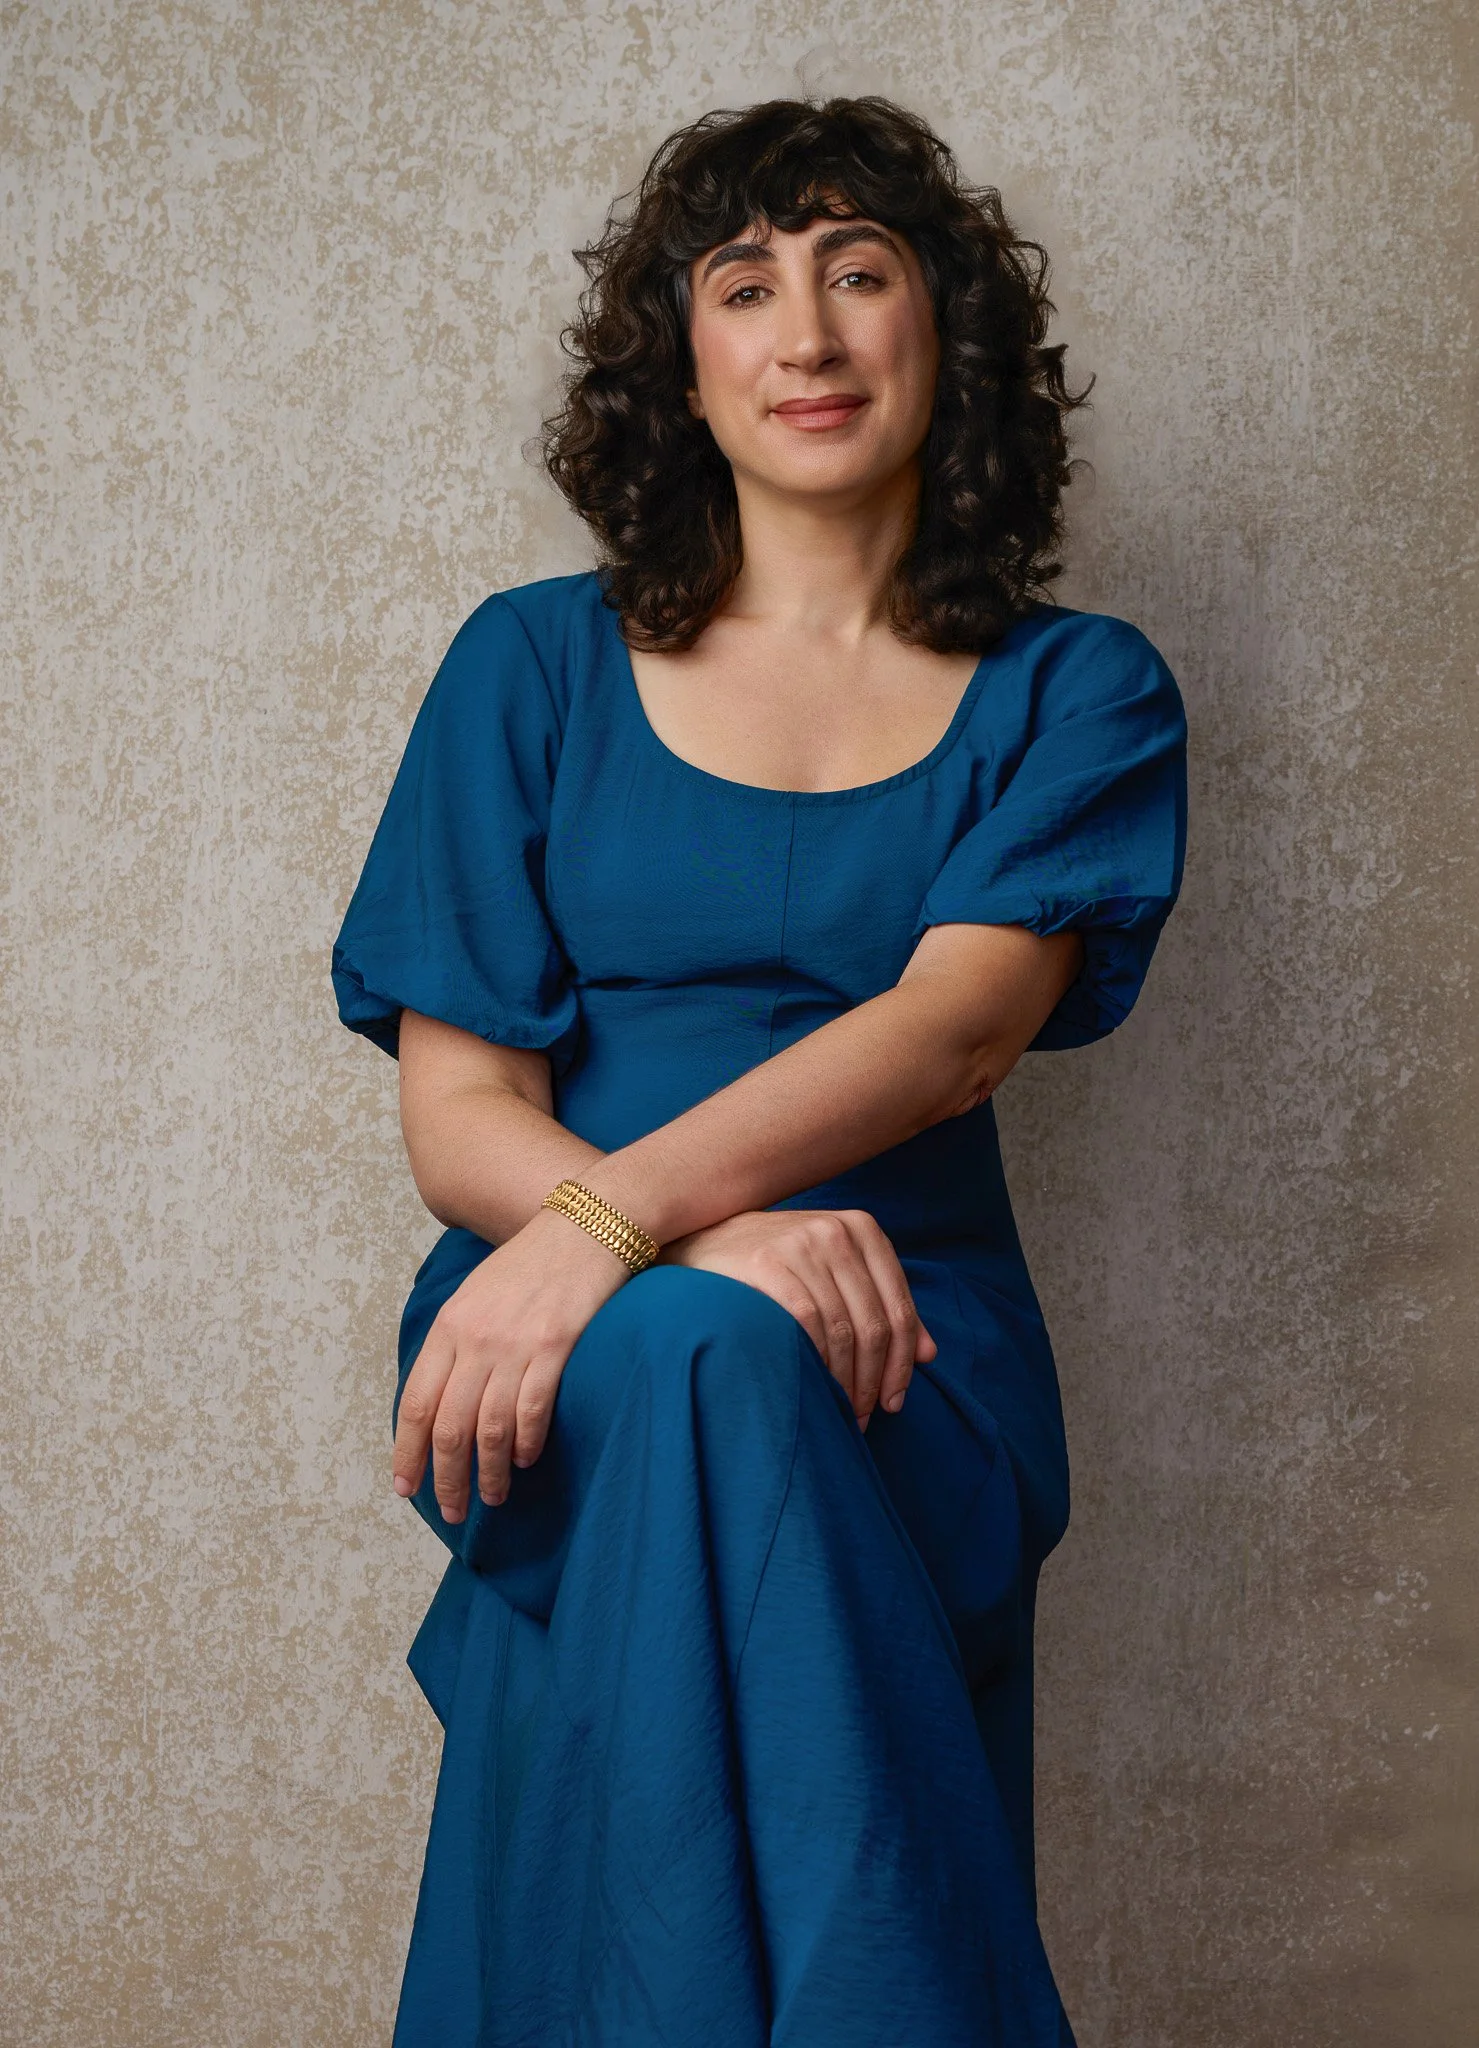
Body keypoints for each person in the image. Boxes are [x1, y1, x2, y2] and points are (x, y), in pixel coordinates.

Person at [331, 93, 1187, 2048]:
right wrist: (661, 1254)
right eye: (745, 286)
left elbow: (953, 1026)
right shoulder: (526, 668)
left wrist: (619, 1214)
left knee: (720, 1366)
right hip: (559, 1330)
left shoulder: (1080, 691)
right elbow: (457, 1111)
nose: (804, 333)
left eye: (858, 274)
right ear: (684, 367)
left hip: (906, 1349)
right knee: (707, 1350)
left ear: (941, 341)